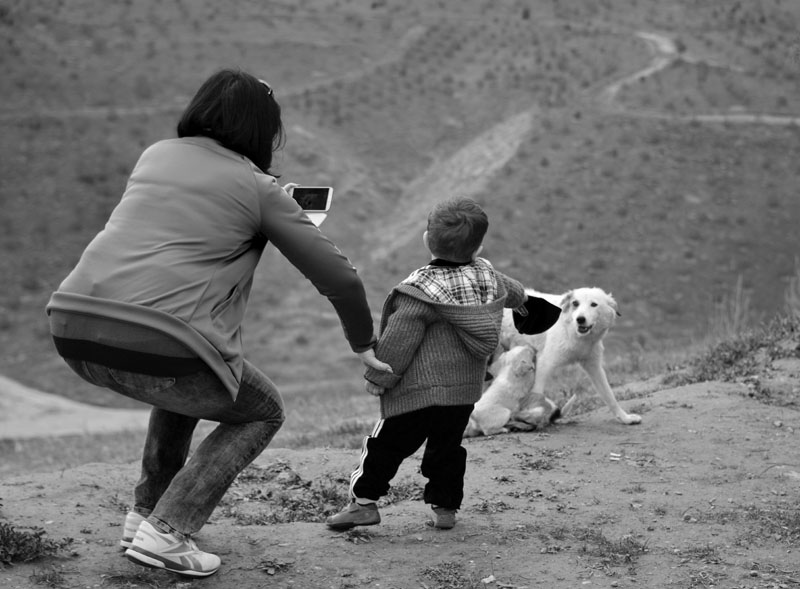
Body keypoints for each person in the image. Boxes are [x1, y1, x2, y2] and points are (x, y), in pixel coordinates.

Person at [46, 69, 389, 577]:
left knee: (190, 380)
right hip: (161, 340)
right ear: (260, 131)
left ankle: (146, 514)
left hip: (72, 326)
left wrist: (268, 203)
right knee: (261, 411)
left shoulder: (156, 155)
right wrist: (364, 344)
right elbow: (340, 278)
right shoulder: (258, 189)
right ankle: (167, 532)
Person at [325, 197, 527, 531]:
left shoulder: (420, 291)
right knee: (447, 448)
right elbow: (515, 292)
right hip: (462, 393)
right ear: (479, 246)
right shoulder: (488, 275)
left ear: (425, 239)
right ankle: (446, 509)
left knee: (385, 445)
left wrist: (380, 377)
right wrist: (523, 305)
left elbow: (398, 342)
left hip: (418, 393)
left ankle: (363, 503)